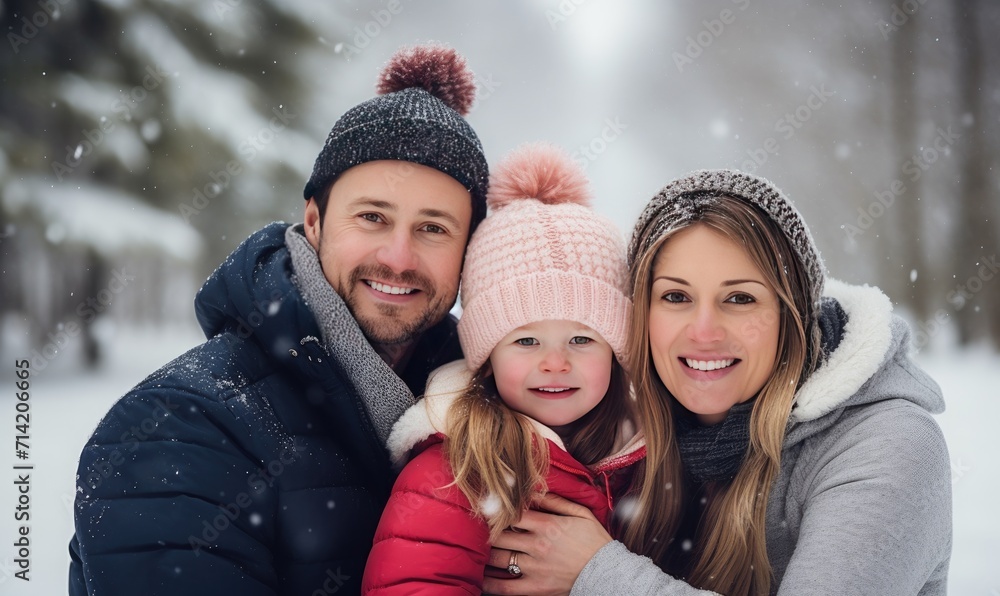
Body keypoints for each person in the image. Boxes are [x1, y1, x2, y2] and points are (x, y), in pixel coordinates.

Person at [68, 43, 490, 596]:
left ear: (470, 249)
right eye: (372, 217)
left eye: (433, 228)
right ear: (313, 220)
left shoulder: (487, 413)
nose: (398, 257)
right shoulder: (179, 429)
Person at [483, 169, 952, 596]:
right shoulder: (633, 436)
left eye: (740, 298)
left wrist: (597, 573)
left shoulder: (887, 443)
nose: (704, 332)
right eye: (676, 296)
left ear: (792, 317)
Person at [360, 143, 645, 594]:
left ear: (617, 350)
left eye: (582, 339)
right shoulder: (456, 470)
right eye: (526, 340)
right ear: (488, 357)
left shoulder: (651, 458)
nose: (555, 363)